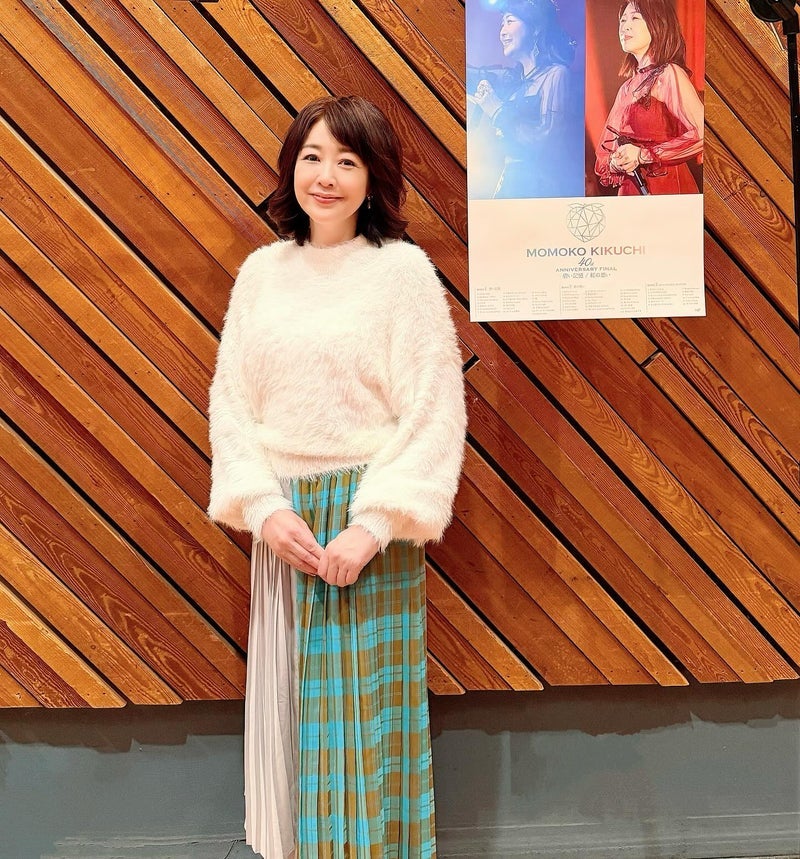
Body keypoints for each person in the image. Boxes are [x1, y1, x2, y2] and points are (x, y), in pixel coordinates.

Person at [207, 95, 466, 859]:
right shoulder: (262, 273)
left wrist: (373, 524)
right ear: (291, 167)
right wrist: (263, 507)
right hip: (286, 528)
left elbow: (435, 408)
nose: (326, 176)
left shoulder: (402, 273)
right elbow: (231, 403)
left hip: (366, 529)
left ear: (373, 176)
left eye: (347, 161)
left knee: (364, 732)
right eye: (312, 157)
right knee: (292, 724)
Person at [469, 0, 583, 199]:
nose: (502, 32)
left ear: (535, 27)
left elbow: (548, 140)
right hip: (508, 184)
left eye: (510, 21)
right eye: (502, 24)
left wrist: (497, 111)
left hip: (539, 189)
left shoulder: (556, 74)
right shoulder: (515, 82)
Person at [594, 0, 704, 195]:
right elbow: (604, 154)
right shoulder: (626, 88)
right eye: (622, 20)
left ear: (657, 23)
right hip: (630, 191)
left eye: (635, 18)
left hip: (665, 188)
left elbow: (701, 135)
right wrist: (616, 161)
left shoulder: (668, 74)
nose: (625, 26)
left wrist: (643, 155)